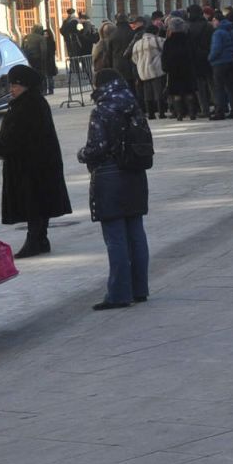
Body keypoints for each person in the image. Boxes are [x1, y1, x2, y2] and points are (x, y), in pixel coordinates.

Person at [77, 70, 152, 311]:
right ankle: (140, 288)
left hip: (110, 176)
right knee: (136, 233)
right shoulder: (133, 104)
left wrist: (82, 154)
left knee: (116, 237)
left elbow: (97, 147)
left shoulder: (103, 110)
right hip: (135, 173)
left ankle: (119, 293)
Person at [0, 65, 70, 259]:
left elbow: (15, 136)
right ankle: (39, 239)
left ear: (26, 85)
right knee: (38, 202)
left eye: (16, 85)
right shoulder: (32, 102)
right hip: (36, 164)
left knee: (33, 202)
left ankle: (35, 240)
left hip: (31, 166)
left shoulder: (27, 106)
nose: (12, 89)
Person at [161, 17, 199, 121]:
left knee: (176, 93)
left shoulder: (168, 42)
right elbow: (194, 54)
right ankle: (192, 113)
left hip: (173, 70)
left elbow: (164, 57)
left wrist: (165, 68)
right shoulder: (188, 40)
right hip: (188, 69)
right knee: (189, 91)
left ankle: (179, 114)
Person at [131, 17, 166, 118]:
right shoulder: (158, 40)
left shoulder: (137, 44)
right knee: (158, 92)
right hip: (156, 70)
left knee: (147, 93)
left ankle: (150, 114)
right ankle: (161, 112)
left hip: (143, 71)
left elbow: (134, 58)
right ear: (156, 32)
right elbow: (165, 52)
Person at [207, 13, 233, 119]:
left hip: (219, 62)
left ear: (218, 21)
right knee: (230, 87)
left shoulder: (218, 33)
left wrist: (210, 58)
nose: (212, 22)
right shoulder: (230, 30)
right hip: (230, 60)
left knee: (219, 88)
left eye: (214, 20)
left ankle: (220, 111)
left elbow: (216, 48)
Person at [21, 22, 57, 94]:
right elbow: (43, 50)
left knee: (31, 75)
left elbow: (22, 48)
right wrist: (43, 61)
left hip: (28, 59)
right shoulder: (41, 38)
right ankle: (43, 90)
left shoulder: (26, 37)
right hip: (38, 59)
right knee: (41, 75)